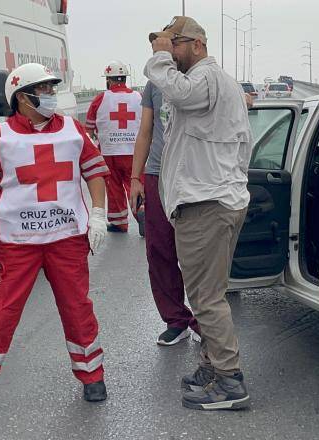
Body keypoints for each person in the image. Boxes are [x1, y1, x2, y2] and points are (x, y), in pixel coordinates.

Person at [0, 63, 110, 423]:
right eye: (43, 90)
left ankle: (92, 375)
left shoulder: (72, 130)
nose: (51, 96)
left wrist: (99, 215)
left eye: (52, 88)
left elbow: (95, 173)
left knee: (78, 309)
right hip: (16, 242)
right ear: (21, 98)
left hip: (66, 238)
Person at [144, 16, 253, 411]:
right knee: (211, 294)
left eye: (174, 45)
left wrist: (158, 58)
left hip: (206, 204)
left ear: (197, 44)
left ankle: (229, 381)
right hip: (214, 198)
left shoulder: (205, 79)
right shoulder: (218, 83)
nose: (169, 53)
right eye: (166, 47)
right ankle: (213, 365)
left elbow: (177, 89)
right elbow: (244, 146)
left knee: (206, 299)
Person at [129, 80, 200, 346]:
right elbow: (145, 132)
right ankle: (176, 319)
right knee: (159, 250)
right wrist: (135, 178)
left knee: (196, 253)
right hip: (157, 174)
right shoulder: (153, 84)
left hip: (194, 175)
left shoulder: (201, 79)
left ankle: (205, 321)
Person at [85, 61, 142, 234]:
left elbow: (88, 127)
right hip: (135, 151)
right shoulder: (139, 97)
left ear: (108, 80)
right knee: (136, 184)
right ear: (125, 78)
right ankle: (142, 210)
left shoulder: (100, 99)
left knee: (114, 186)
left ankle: (119, 222)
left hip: (109, 152)